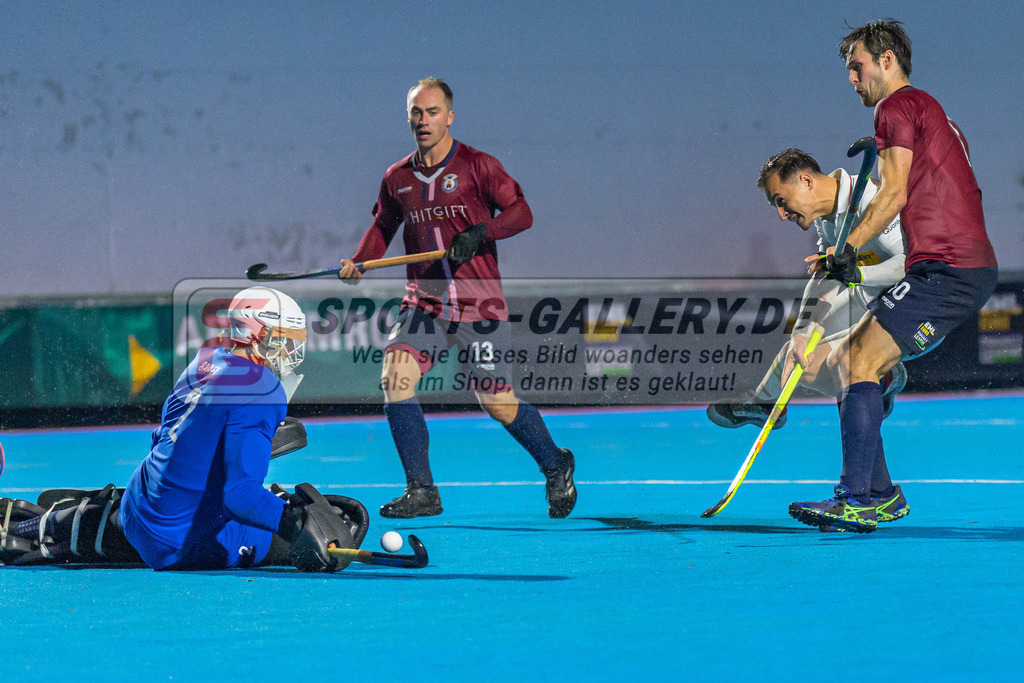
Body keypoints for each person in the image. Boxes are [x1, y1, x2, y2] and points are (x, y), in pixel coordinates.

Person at [789, 19, 998, 532]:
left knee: (857, 357)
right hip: (953, 265)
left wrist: (847, 250)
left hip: (948, 268)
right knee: (851, 362)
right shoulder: (932, 113)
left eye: (857, 67)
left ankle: (857, 499)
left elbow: (894, 195)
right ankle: (880, 494)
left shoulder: (896, 106)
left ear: (887, 59)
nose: (853, 80)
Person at [337, 77, 576, 519]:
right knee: (395, 377)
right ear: (408, 116)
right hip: (423, 301)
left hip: (478, 301)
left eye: (432, 112)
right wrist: (359, 262)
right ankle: (422, 490)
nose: (423, 120)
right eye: (416, 112)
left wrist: (482, 232)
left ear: (449, 116)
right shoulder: (397, 178)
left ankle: (556, 462)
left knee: (497, 402)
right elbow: (382, 229)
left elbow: (522, 213)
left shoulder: (479, 166)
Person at [1, 287, 367, 572]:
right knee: (313, 530)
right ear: (258, 334)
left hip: (137, 504)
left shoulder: (205, 360)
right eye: (286, 338)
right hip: (175, 545)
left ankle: (94, 516)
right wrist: (293, 523)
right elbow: (239, 496)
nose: (291, 350)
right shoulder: (263, 388)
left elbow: (167, 441)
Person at [707, 148, 907, 431]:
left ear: (806, 181)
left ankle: (886, 377)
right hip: (865, 291)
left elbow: (909, 265)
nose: (781, 214)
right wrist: (802, 332)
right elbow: (826, 276)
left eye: (781, 201)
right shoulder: (827, 220)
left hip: (906, 299)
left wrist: (858, 273)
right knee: (801, 357)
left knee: (850, 365)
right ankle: (767, 404)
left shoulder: (870, 200)